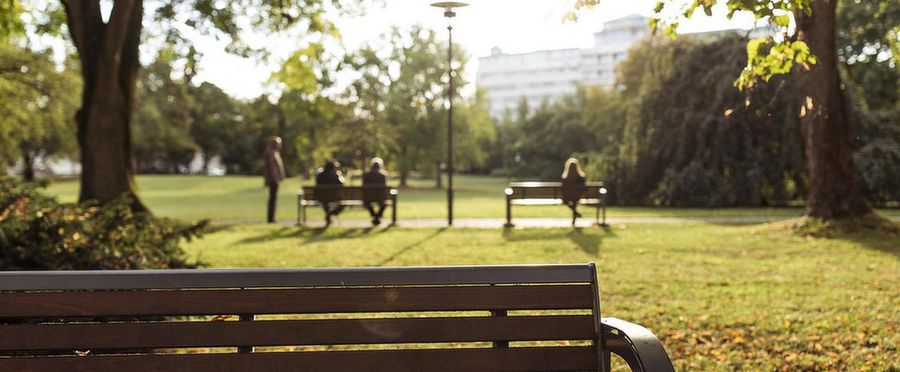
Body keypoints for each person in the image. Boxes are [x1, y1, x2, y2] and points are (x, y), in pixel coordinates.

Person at [263, 136, 286, 224]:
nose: (280, 145)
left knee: (273, 198)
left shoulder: (274, 153)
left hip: (275, 179)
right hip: (273, 180)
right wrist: (275, 178)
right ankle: (271, 218)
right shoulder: (271, 154)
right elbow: (272, 168)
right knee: (272, 198)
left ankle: (272, 217)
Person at [315, 160, 345, 226]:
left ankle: (328, 214)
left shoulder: (320, 175)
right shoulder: (335, 175)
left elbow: (317, 185)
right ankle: (330, 213)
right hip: (334, 197)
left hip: (321, 197)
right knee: (343, 202)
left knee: (325, 201)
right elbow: (341, 185)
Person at [362, 157, 389, 225]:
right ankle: (377, 216)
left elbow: (363, 186)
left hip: (368, 198)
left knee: (367, 203)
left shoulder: (366, 174)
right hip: (381, 198)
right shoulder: (383, 175)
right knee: (384, 204)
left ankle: (374, 216)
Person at [561, 157, 586, 226]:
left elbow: (562, 189)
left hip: (568, 197)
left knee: (568, 200)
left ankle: (575, 214)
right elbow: (583, 188)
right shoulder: (581, 177)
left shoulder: (565, 178)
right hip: (577, 196)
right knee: (574, 201)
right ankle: (575, 215)